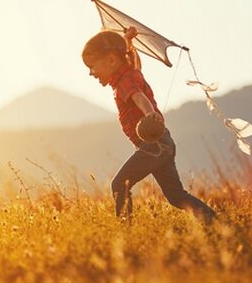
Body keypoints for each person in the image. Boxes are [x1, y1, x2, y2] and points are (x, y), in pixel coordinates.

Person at [81, 27, 216, 224]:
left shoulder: (124, 82)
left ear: (111, 61)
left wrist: (150, 113)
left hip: (154, 146)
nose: (91, 73)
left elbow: (139, 97)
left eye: (92, 66)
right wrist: (127, 43)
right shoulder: (131, 73)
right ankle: (214, 222)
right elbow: (133, 63)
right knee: (176, 196)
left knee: (120, 184)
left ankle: (124, 231)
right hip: (163, 143)